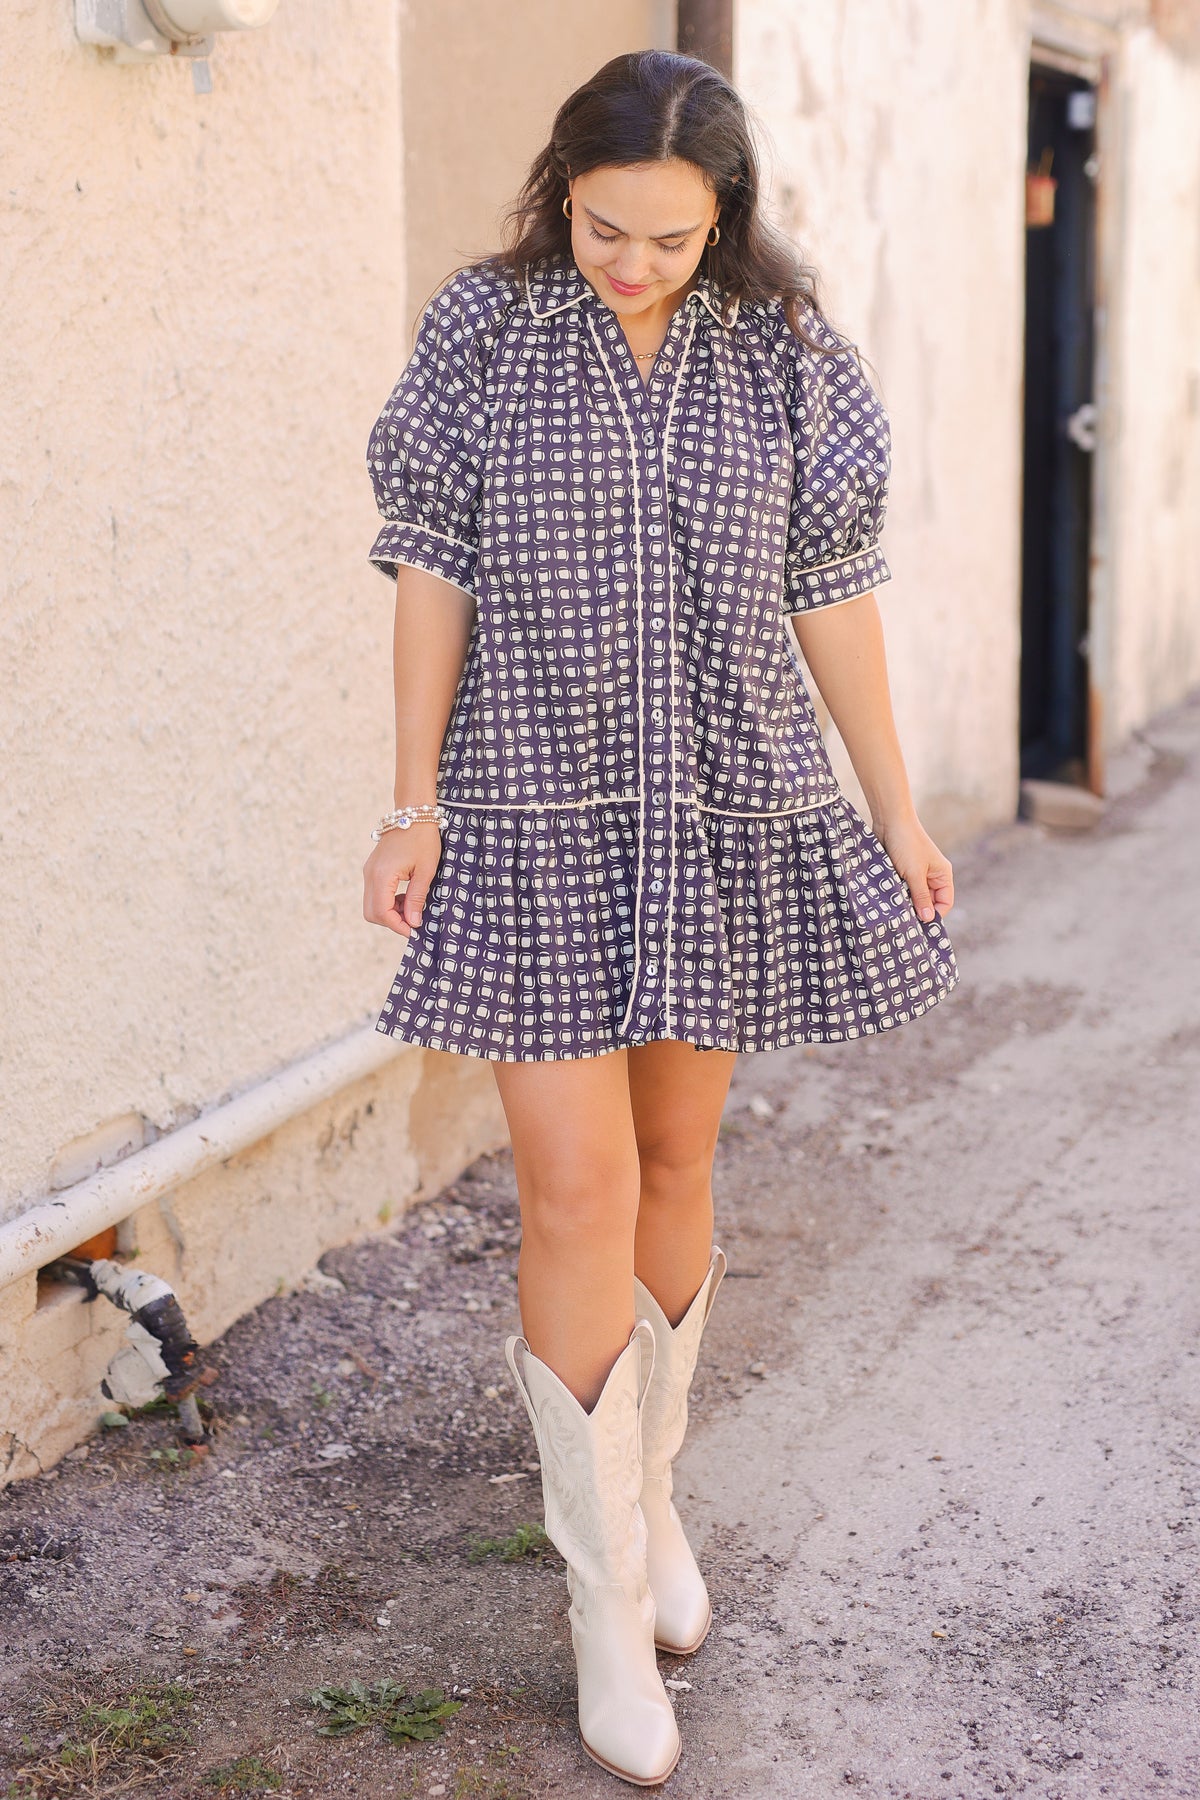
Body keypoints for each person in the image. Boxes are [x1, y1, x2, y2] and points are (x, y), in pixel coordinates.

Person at [362, 48, 958, 1788]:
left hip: (719, 811)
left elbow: (831, 590)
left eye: (673, 240)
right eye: (606, 226)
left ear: (728, 223)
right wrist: (415, 803)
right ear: (565, 193)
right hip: (535, 815)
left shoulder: (790, 357)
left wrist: (896, 805)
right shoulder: (485, 333)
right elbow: (431, 560)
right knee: (575, 1183)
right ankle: (603, 1599)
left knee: (681, 1170)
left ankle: (653, 1501)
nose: (633, 260)